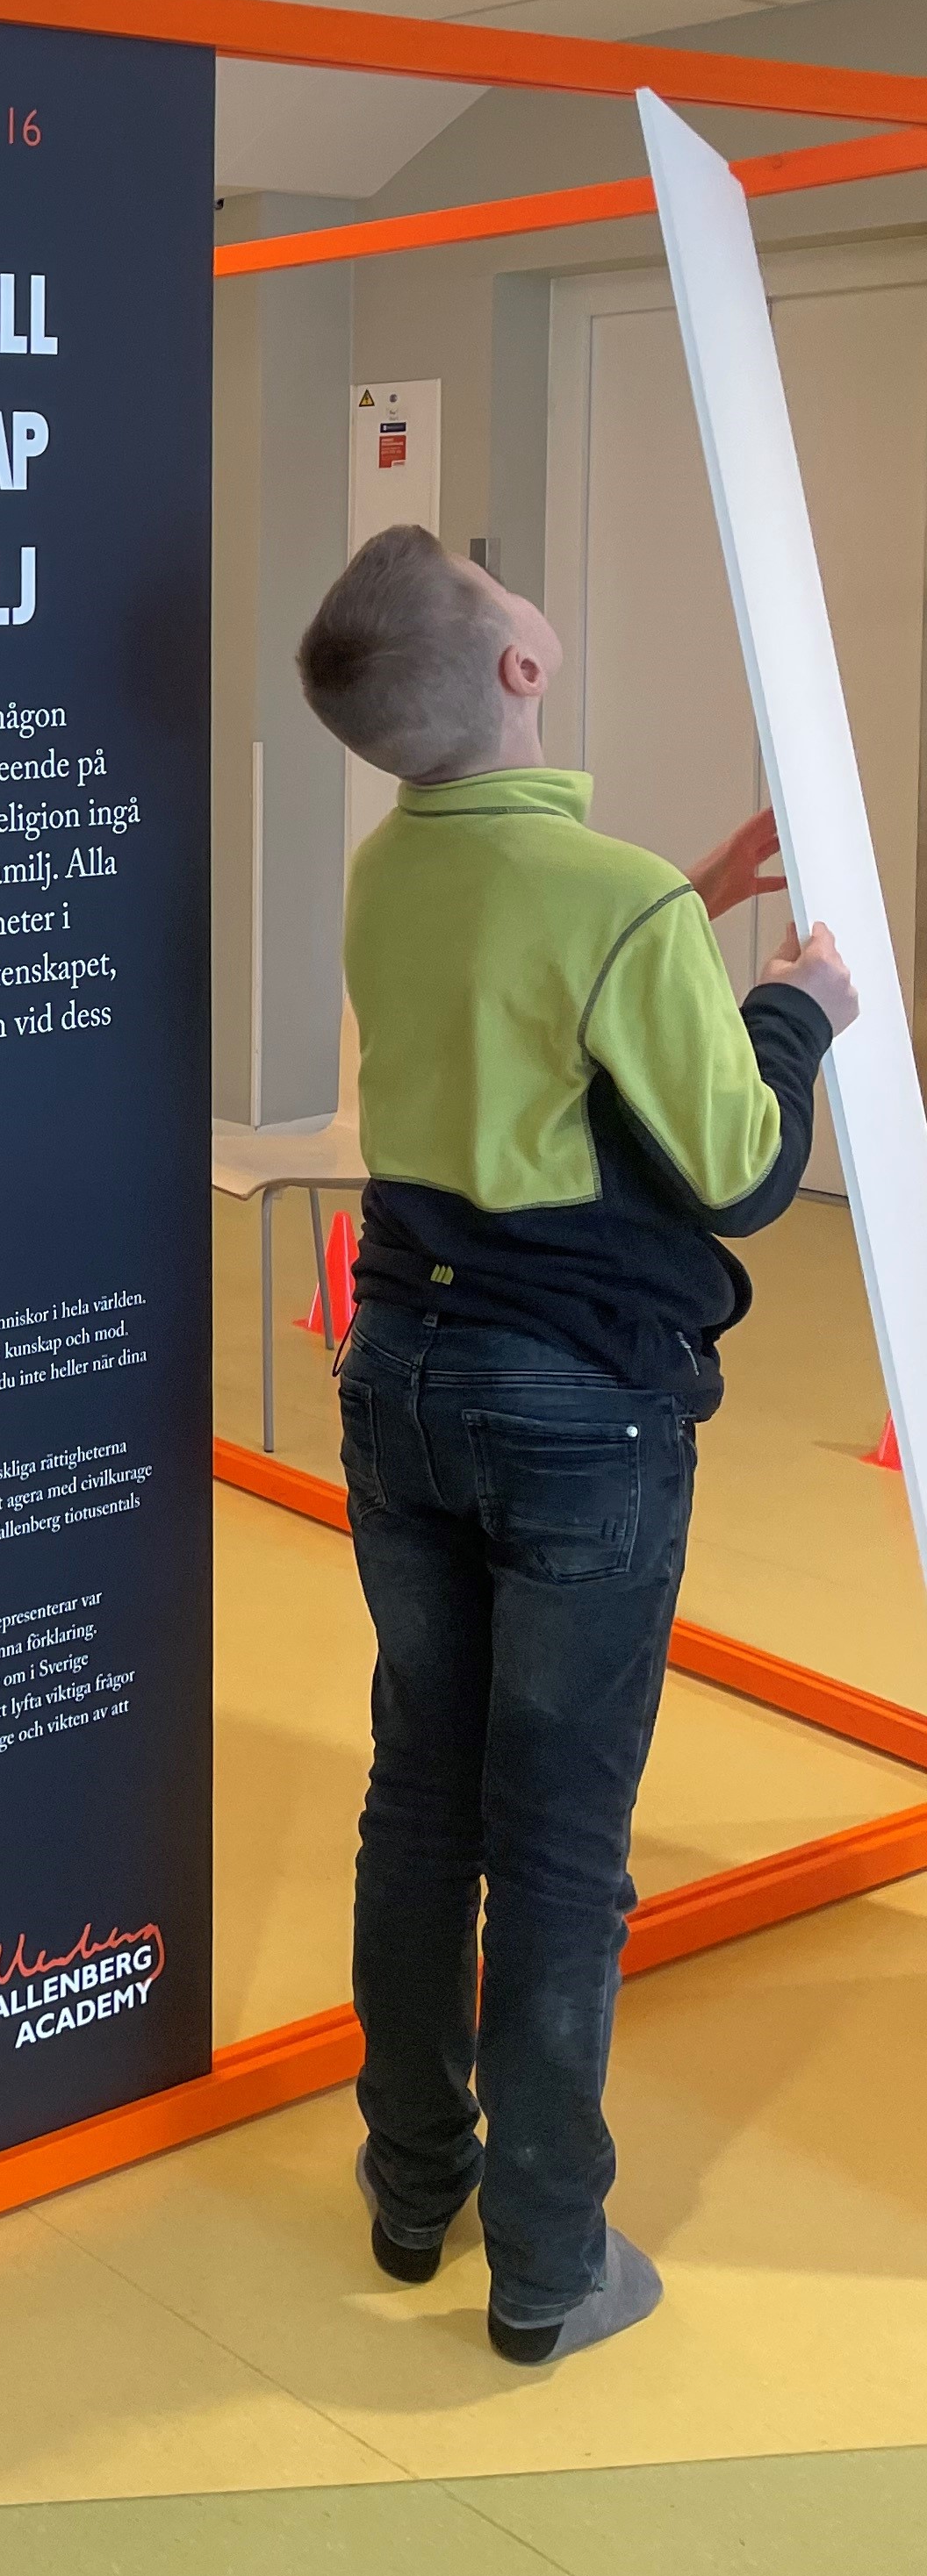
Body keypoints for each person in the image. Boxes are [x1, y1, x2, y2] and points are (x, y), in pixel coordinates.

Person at [295, 524, 855, 2367]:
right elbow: (741, 1166)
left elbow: (525, 985)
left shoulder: (392, 870)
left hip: (400, 1379)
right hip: (574, 1411)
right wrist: (798, 1006)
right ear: (522, 668)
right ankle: (549, 2263)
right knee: (556, 1848)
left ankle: (413, 2184)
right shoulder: (607, 901)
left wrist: (695, 894)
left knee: (421, 1799)